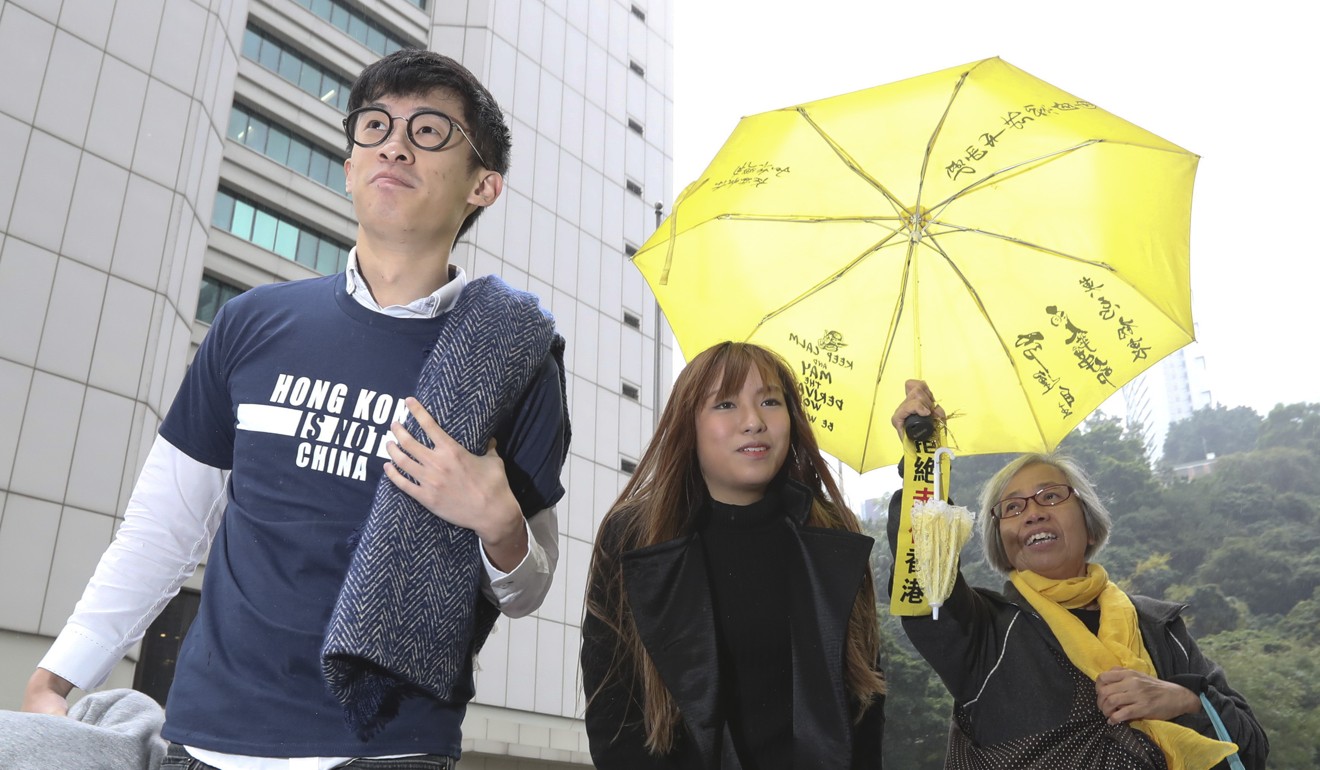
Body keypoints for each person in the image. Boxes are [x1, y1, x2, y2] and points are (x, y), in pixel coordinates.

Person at [21, 49, 570, 769]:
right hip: (206, 738)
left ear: (484, 185)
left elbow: (527, 588)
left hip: (388, 746)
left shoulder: (515, 354)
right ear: (348, 167)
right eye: (374, 126)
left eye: (431, 131)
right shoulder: (250, 324)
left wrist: (497, 521)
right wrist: (57, 674)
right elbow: (164, 529)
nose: (395, 144)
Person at [888, 379, 1268, 769]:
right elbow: (924, 577)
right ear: (1001, 543)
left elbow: (1251, 747)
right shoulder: (982, 632)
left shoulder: (1158, 627)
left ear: (1089, 524)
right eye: (1013, 508)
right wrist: (923, 459)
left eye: (1051, 496)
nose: (1034, 512)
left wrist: (1184, 700)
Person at [581, 341, 886, 769]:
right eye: (725, 403)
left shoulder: (832, 537)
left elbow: (864, 705)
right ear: (689, 424)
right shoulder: (635, 537)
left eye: (770, 401)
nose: (753, 422)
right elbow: (614, 717)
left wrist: (923, 462)